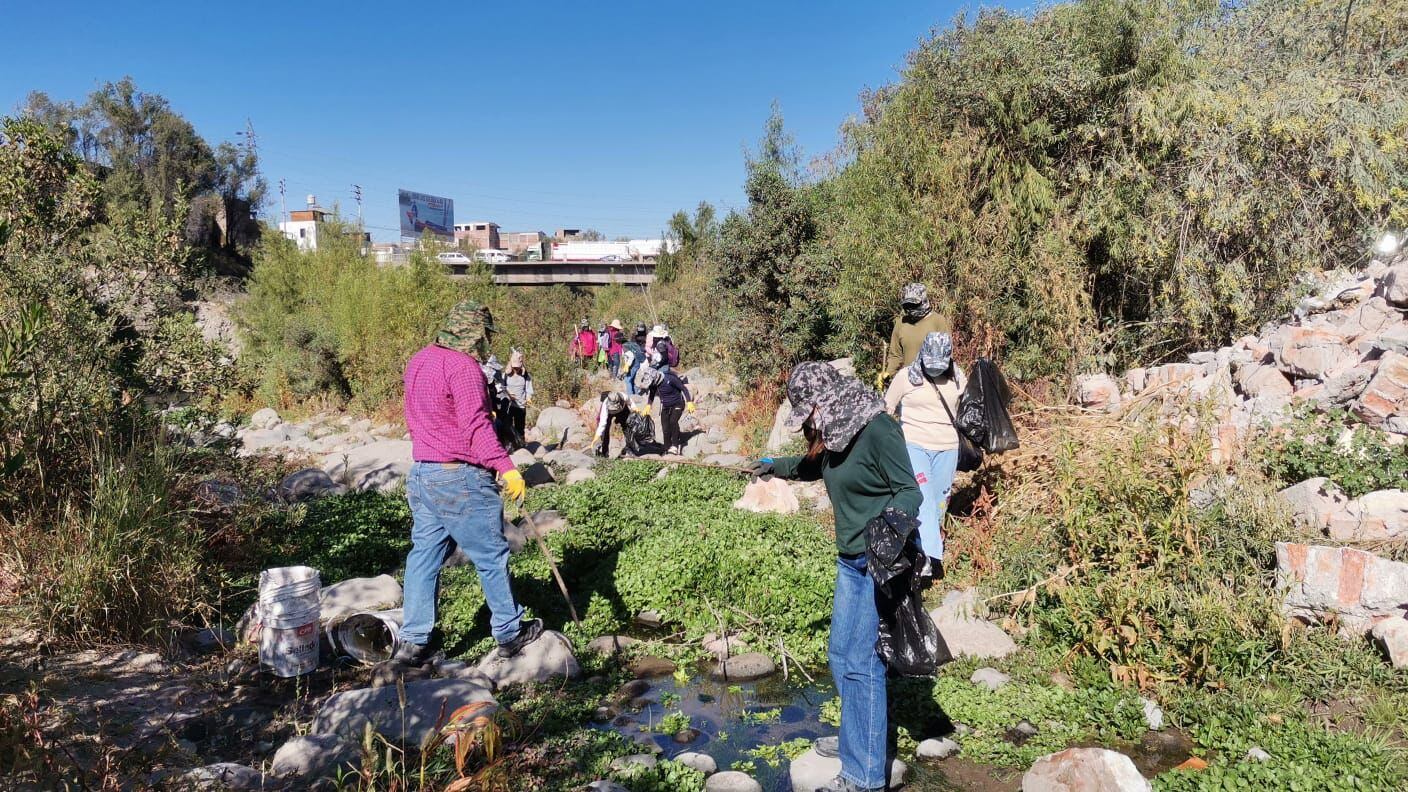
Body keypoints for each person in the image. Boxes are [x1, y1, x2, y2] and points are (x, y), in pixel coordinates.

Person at [752, 362, 920, 792]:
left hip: (878, 561)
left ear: (826, 402)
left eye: (807, 412)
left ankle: (863, 778)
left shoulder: (878, 429)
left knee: (863, 664)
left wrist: (891, 530)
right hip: (850, 561)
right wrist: (775, 466)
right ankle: (856, 739)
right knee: (840, 656)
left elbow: (909, 491)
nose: (806, 422)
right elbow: (813, 468)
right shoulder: (834, 431)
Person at [395, 300, 543, 666]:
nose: (485, 344)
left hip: (423, 473)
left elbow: (424, 413)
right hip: (458, 475)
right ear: (474, 333)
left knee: (424, 557)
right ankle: (509, 632)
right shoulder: (463, 367)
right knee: (491, 554)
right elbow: (475, 427)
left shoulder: (419, 360)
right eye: (483, 336)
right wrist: (505, 466)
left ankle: (413, 643)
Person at [884, 332, 964, 568]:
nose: (935, 370)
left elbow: (966, 408)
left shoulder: (958, 375)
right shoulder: (905, 377)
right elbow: (887, 408)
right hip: (914, 444)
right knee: (923, 499)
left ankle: (925, 542)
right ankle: (930, 559)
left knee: (939, 502)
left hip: (948, 447)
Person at [880, 283, 952, 388]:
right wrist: (888, 374)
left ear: (923, 301)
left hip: (933, 385)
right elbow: (895, 355)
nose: (910, 309)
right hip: (908, 384)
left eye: (914, 305)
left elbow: (947, 355)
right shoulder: (901, 323)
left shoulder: (938, 322)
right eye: (907, 305)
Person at [646, 365, 693, 455]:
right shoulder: (653, 384)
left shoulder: (670, 379)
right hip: (665, 405)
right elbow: (651, 394)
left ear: (656, 378)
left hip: (678, 403)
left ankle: (675, 445)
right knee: (665, 427)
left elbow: (683, 388)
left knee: (673, 422)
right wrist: (648, 405)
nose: (651, 384)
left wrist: (689, 402)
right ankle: (667, 447)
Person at [593, 390, 642, 458]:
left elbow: (630, 402)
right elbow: (602, 423)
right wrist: (596, 437)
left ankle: (631, 449)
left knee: (627, 427)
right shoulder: (605, 405)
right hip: (609, 413)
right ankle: (604, 453)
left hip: (622, 410)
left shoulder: (624, 396)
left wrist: (635, 409)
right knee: (605, 431)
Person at [504, 348, 534, 446]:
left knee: (520, 427)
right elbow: (501, 388)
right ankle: (510, 444)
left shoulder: (525, 375)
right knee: (507, 426)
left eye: (518, 367)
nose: (516, 369)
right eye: (514, 366)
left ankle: (521, 445)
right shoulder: (505, 375)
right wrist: (508, 395)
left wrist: (528, 399)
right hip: (509, 405)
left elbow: (529, 389)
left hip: (521, 406)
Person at [622, 329, 646, 396]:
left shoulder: (624, 346)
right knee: (631, 380)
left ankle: (631, 396)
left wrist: (627, 365)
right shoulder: (630, 343)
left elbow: (631, 356)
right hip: (637, 363)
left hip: (633, 364)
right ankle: (637, 391)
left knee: (627, 380)